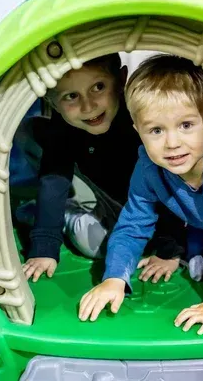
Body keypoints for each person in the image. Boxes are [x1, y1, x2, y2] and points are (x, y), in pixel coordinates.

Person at [78, 54, 203, 335]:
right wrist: (114, 278)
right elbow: (133, 224)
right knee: (196, 249)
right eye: (155, 130)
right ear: (138, 132)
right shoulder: (148, 165)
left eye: (186, 125)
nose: (172, 143)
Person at [20, 46, 184, 283]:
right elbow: (54, 177)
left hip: (137, 207)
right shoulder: (63, 125)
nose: (89, 106)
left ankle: (63, 213)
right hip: (95, 177)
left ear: (121, 81)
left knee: (96, 246)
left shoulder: (143, 121)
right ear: (51, 101)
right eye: (71, 96)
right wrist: (45, 244)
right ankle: (49, 211)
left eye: (98, 87)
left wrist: (170, 249)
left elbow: (170, 184)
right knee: (27, 132)